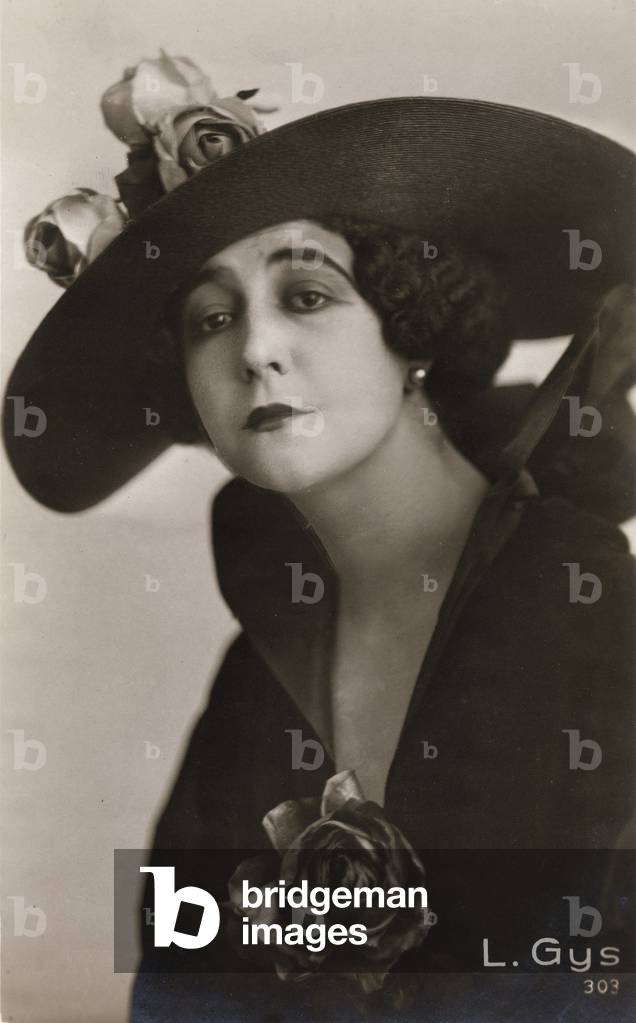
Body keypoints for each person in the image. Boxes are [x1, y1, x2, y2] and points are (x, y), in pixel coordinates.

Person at [4, 82, 635, 1021]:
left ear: (409, 326)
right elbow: (183, 978)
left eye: (307, 295)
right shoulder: (256, 670)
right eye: (209, 320)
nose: (256, 348)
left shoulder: (580, 601)